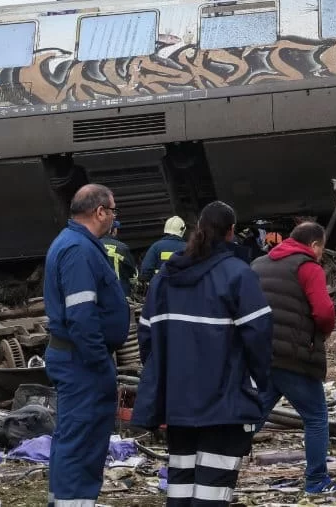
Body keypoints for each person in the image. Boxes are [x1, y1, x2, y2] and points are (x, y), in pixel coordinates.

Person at [132, 201, 273, 507]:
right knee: (213, 490)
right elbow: (259, 338)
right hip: (223, 404)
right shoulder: (238, 275)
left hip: (177, 403)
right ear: (231, 232)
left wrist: (167, 378)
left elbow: (147, 338)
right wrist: (260, 385)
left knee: (180, 486)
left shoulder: (163, 280)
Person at [43, 184, 131, 507]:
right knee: (81, 439)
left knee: (73, 437)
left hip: (78, 359)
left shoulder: (75, 244)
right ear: (99, 212)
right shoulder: (78, 251)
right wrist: (98, 362)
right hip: (82, 362)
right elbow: (81, 316)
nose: (113, 217)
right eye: (113, 211)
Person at [252, 221, 336, 496]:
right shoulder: (308, 267)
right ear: (313, 245)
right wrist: (321, 335)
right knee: (315, 417)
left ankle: (219, 464)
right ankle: (316, 481)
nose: (321, 254)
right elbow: (324, 312)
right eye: (321, 248)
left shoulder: (258, 265)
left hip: (262, 354)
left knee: (253, 415)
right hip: (295, 357)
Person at [139, 216, 187, 282]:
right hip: (182, 289)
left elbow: (146, 272)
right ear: (182, 230)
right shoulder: (188, 248)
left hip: (160, 288)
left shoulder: (155, 246)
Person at [101, 220, 138, 298]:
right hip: (120, 291)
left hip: (100, 292)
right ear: (112, 230)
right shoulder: (122, 247)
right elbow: (132, 272)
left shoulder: (92, 245)